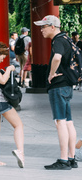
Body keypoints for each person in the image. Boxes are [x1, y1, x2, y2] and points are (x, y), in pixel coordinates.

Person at [36, 15, 80, 170]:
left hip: (58, 86)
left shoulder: (58, 41)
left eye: (43, 27)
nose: (41, 30)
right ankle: (71, 157)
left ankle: (63, 160)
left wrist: (51, 74)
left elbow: (57, 58)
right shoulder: (67, 39)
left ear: (52, 27)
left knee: (59, 121)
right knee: (68, 122)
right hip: (67, 85)